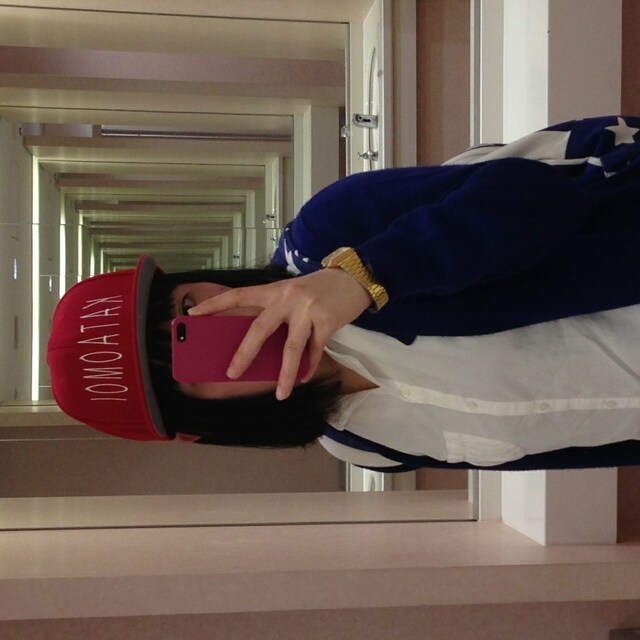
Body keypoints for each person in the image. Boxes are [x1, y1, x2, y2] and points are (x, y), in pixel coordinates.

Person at [47, 115, 640, 471]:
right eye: (189, 359)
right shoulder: (360, 443)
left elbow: (542, 196)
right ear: (201, 423)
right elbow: (575, 443)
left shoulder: (326, 237)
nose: (222, 325)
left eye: (187, 305)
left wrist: (365, 275)